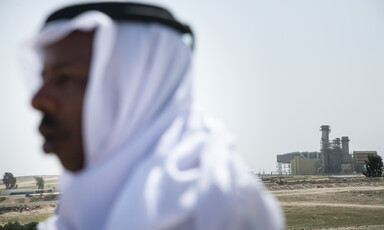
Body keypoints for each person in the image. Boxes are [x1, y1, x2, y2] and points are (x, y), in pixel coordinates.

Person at [23, 2, 284, 230]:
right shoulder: (74, 206)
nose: (37, 100)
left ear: (135, 90)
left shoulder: (215, 207)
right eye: (43, 79)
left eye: (66, 78)